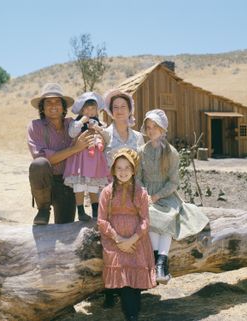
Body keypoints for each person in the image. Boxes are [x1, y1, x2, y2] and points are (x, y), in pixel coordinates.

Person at [138, 109, 209, 284]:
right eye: (148, 127)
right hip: (146, 195)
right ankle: (158, 263)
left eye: (155, 126)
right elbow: (138, 178)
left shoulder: (171, 153)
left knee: (168, 218)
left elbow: (173, 182)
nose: (151, 130)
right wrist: (146, 194)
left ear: (163, 129)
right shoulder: (140, 152)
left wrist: (157, 195)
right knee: (151, 217)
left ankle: (161, 263)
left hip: (166, 195)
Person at [98, 148, 156, 321]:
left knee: (132, 280)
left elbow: (145, 220)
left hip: (136, 240)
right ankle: (127, 311)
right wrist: (118, 239)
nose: (123, 172)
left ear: (133, 170)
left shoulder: (140, 192)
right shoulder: (107, 192)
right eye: (119, 168)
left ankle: (132, 313)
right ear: (113, 171)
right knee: (122, 271)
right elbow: (101, 221)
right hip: (113, 239)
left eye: (127, 168)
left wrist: (132, 239)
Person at [27, 83, 94, 225]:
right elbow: (43, 158)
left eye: (57, 102)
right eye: (48, 102)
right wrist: (74, 149)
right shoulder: (35, 126)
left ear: (64, 107)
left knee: (64, 230)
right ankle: (43, 210)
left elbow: (91, 130)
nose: (53, 106)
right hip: (46, 181)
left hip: (67, 182)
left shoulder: (73, 124)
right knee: (39, 164)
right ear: (42, 108)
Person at [102, 89, 145, 308]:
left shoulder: (138, 137)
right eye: (115, 107)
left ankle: (136, 283)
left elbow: (142, 168)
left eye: (123, 107)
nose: (119, 111)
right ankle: (111, 288)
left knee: (139, 233)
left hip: (135, 195)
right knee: (112, 235)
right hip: (110, 195)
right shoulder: (105, 135)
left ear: (130, 110)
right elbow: (97, 167)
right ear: (110, 111)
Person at [63, 92, 109, 221]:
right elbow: (72, 134)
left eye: (92, 108)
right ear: (82, 110)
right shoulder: (76, 123)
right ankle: (81, 211)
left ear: (97, 110)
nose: (90, 111)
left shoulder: (100, 124)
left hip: (94, 160)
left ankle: (95, 211)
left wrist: (99, 129)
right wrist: (81, 121)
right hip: (80, 159)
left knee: (93, 186)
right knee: (79, 185)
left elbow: (107, 138)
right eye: (87, 109)